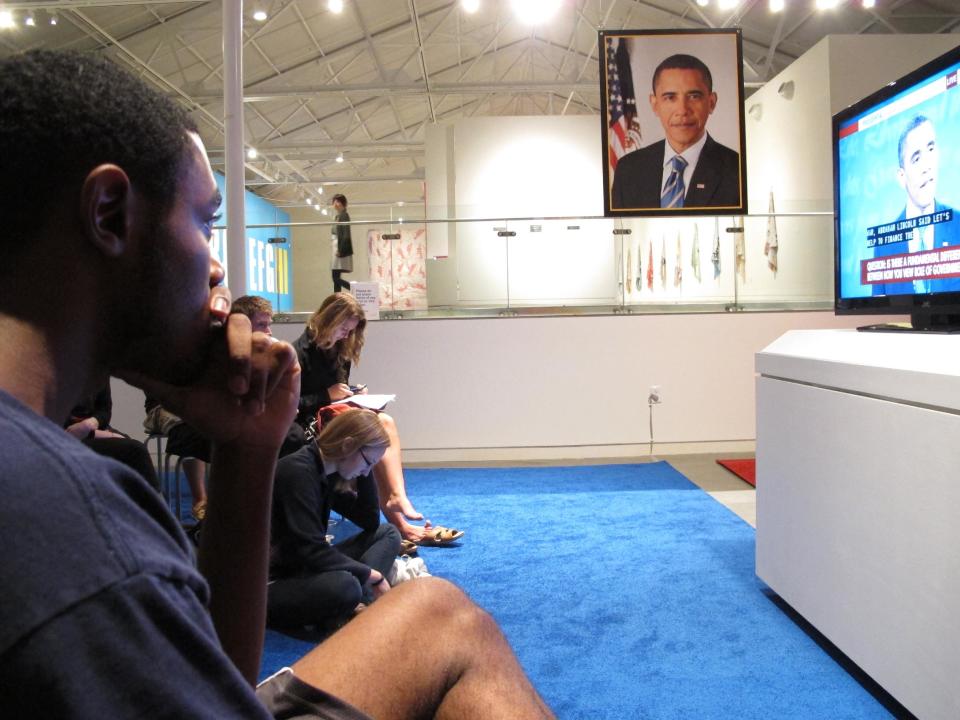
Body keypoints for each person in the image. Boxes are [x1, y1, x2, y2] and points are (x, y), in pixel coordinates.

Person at [0, 49, 552, 719]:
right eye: (205, 224)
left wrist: (248, 445)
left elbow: (215, 675)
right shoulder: (70, 511)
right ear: (111, 214)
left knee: (434, 611)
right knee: (453, 624)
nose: (215, 270)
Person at [294, 292, 461, 544]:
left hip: (335, 418)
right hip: (308, 424)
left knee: (382, 423)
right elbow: (291, 405)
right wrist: (325, 396)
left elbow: (338, 394)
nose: (345, 335)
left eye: (350, 331)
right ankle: (397, 510)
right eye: (343, 329)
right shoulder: (298, 353)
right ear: (328, 320)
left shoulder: (341, 351)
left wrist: (353, 394)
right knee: (378, 426)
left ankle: (397, 504)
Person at [269, 408, 400, 634]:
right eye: (368, 462)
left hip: (302, 567)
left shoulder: (330, 469)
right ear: (347, 445)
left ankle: (349, 609)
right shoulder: (297, 472)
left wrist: (365, 471)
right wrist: (374, 576)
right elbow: (310, 551)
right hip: (273, 580)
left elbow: (370, 521)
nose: (367, 471)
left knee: (387, 533)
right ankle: (351, 605)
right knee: (346, 585)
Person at [611, 53, 741, 210]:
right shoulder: (628, 171)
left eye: (693, 96)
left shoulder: (737, 170)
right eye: (670, 97)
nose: (682, 110)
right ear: (654, 104)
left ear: (711, 102)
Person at [872, 114, 960, 296]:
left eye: (931, 149)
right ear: (901, 176)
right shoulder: (884, 244)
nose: (927, 166)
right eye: (916, 158)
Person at [65, 383, 162, 493]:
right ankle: (155, 505)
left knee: (130, 446)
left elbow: (104, 411)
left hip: (91, 430)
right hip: (62, 436)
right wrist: (103, 434)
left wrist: (91, 423)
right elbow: (66, 426)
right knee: (136, 450)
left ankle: (143, 503)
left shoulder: (98, 370)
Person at [331, 193, 353, 293]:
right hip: (336, 248)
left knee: (335, 277)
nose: (335, 204)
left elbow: (346, 235)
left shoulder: (344, 216)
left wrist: (341, 250)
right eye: (335, 201)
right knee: (336, 277)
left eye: (338, 201)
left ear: (342, 203)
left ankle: (353, 288)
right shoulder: (338, 216)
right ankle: (337, 300)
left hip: (340, 249)